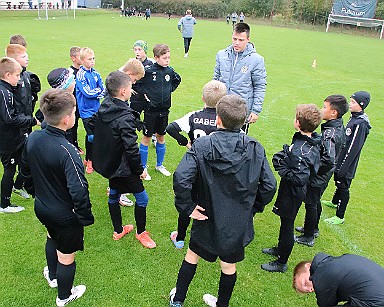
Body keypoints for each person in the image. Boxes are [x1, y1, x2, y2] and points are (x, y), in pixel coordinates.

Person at [169, 94, 277, 307]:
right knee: (219, 263)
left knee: (198, 258)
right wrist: (188, 207)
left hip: (225, 216)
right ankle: (180, 299)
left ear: (218, 119)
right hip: (210, 213)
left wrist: (252, 208)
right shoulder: (204, 146)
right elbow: (182, 177)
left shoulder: (253, 147)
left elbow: (269, 186)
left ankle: (181, 299)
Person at [21, 88, 94, 306]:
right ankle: (64, 296)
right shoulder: (67, 151)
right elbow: (79, 190)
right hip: (64, 215)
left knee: (51, 237)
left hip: (42, 207)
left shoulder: (33, 137)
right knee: (66, 256)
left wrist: (37, 194)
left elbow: (25, 172)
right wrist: (84, 217)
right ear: (66, 119)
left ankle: (52, 277)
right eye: (73, 112)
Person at [90, 71, 156, 248]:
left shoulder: (105, 105)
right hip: (123, 167)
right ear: (123, 92)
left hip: (110, 163)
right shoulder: (123, 115)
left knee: (113, 193)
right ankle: (141, 233)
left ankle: (118, 230)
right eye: (130, 87)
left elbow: (94, 128)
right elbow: (131, 148)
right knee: (142, 199)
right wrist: (140, 169)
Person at [166, 80, 227, 249]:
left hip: (194, 168)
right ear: (223, 101)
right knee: (214, 202)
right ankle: (213, 238)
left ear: (203, 98)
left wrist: (186, 143)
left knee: (189, 202)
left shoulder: (194, 116)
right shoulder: (225, 120)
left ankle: (180, 238)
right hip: (217, 171)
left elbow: (170, 128)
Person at [261, 104, 322, 273]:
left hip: (293, 192)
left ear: (298, 123)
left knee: (287, 224)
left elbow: (299, 177)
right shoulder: (308, 140)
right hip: (294, 190)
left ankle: (282, 262)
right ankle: (280, 248)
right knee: (284, 222)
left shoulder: (302, 149)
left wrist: (282, 167)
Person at [295, 95, 348, 246]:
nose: (321, 109)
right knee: (315, 201)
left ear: (333, 113)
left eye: (324, 107)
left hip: (320, 176)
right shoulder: (336, 126)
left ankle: (308, 236)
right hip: (324, 174)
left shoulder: (330, 133)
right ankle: (313, 228)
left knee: (311, 203)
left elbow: (329, 158)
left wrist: (314, 171)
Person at [322, 91, 371, 225]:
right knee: (339, 182)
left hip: (347, 163)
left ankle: (340, 215)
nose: (350, 104)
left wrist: (343, 166)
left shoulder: (360, 124)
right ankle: (333, 202)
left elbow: (353, 148)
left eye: (353, 102)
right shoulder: (354, 117)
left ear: (361, 105)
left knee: (343, 185)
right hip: (342, 159)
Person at [137, 44, 181, 180]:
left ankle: (159, 165)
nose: (167, 60)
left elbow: (177, 80)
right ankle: (143, 167)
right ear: (156, 57)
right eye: (164, 58)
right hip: (150, 111)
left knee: (161, 136)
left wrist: (168, 91)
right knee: (147, 138)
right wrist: (145, 95)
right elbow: (136, 83)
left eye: (169, 57)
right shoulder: (148, 71)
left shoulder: (170, 71)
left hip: (164, 111)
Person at [213, 22, 267, 134]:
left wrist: (255, 111)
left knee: (237, 147)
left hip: (241, 112)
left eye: (241, 40)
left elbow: (260, 86)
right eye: (234, 39)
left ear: (248, 39)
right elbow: (216, 81)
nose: (236, 43)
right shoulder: (221, 55)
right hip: (222, 109)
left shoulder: (256, 60)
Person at [0, 57, 38, 213]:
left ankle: (23, 187)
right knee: (10, 169)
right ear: (8, 75)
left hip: (14, 138)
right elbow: (10, 118)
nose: (19, 78)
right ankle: (4, 204)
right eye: (17, 75)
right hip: (7, 141)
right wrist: (32, 121)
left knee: (25, 161)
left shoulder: (8, 89)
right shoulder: (4, 92)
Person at [293, 253, 384, 307]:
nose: (310, 289)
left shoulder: (321, 276)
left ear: (308, 266)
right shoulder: (331, 262)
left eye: (305, 283)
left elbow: (325, 304)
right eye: (308, 291)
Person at [75, 47, 105, 174]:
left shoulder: (96, 73)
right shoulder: (80, 75)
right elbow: (87, 93)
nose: (92, 61)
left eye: (93, 58)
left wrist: (97, 92)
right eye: (89, 59)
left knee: (93, 135)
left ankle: (88, 158)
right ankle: (91, 161)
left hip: (96, 109)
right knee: (92, 136)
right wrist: (98, 93)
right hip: (86, 111)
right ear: (82, 60)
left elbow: (103, 89)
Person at [68, 46, 83, 154]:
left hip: (83, 103)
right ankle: (73, 145)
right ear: (73, 58)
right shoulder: (69, 72)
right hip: (74, 103)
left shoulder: (84, 70)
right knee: (73, 125)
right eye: (80, 57)